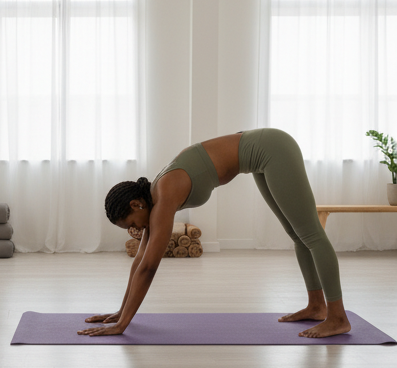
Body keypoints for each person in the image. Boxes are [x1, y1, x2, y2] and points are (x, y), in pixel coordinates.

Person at [85, 129, 351, 339]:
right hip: (260, 153)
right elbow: (139, 261)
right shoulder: (155, 199)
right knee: (297, 234)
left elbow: (149, 267)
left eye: (131, 224)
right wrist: (120, 313)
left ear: (135, 204)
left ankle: (338, 318)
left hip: (272, 148)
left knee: (311, 234)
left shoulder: (164, 195)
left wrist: (122, 326)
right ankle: (317, 307)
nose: (135, 230)